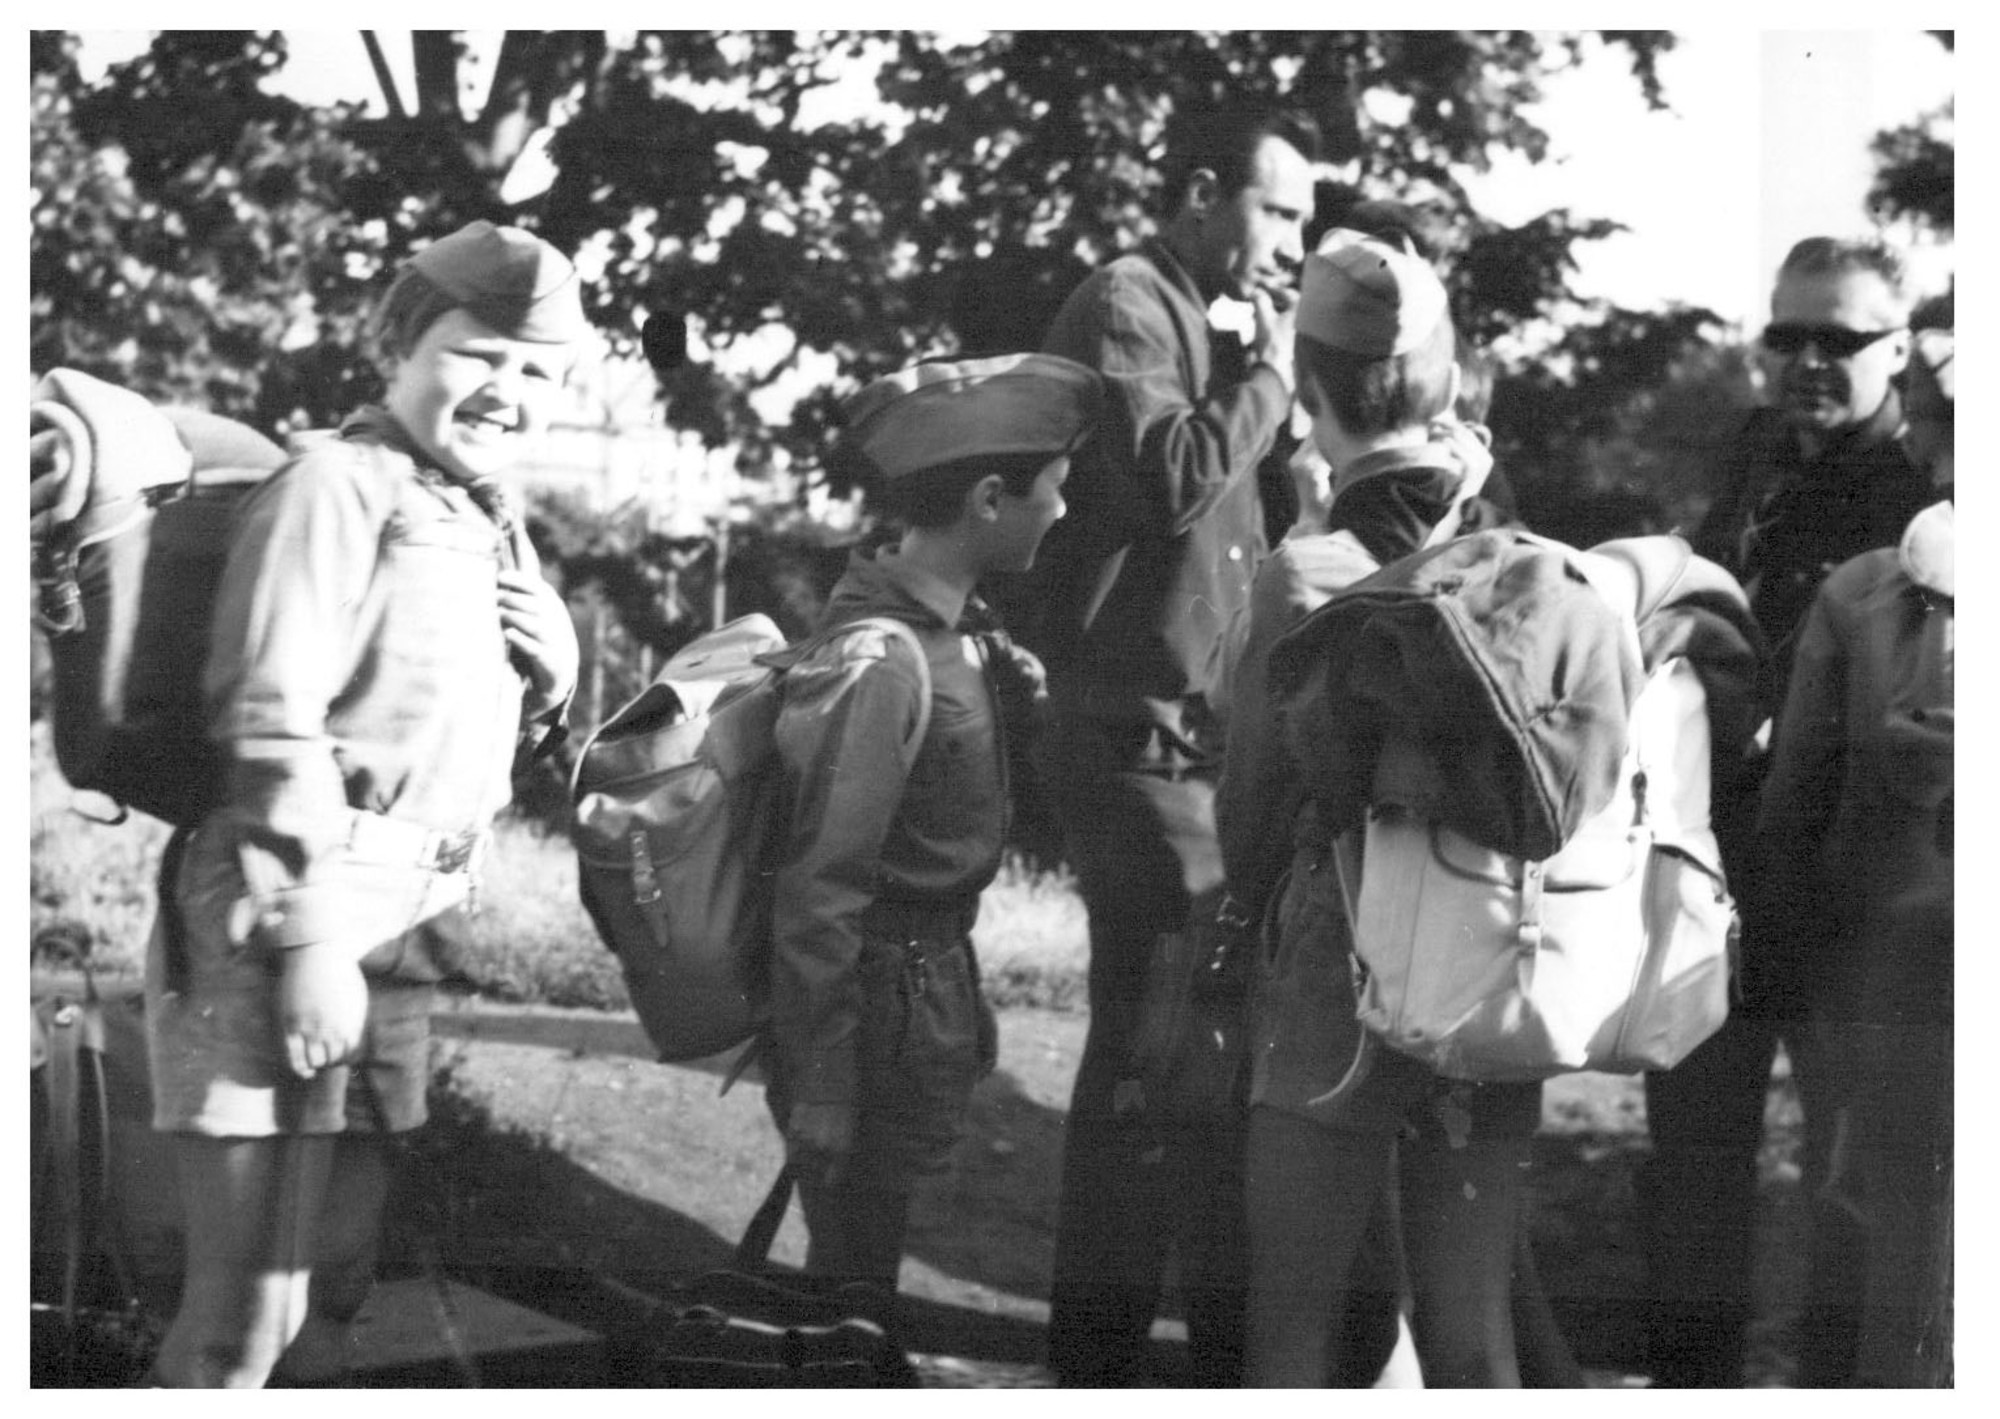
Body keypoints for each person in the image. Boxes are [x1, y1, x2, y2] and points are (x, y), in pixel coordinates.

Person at [142, 219, 586, 1387]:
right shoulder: (335, 485)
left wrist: (557, 676)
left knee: (333, 1294)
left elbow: (439, 733)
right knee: (239, 1325)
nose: (507, 390)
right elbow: (266, 717)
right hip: (288, 913)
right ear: (396, 347)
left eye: (538, 370)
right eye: (477, 353)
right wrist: (310, 940)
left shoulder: (480, 516)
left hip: (404, 932)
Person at [1023, 96, 1318, 1388]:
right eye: (1277, 209)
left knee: (1187, 1047)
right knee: (1158, 1047)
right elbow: (1168, 478)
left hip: (1202, 740)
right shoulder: (1126, 303)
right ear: (1202, 193)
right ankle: (1103, 1365)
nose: (1293, 241)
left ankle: (1173, 1355)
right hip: (1133, 737)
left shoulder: (1213, 322)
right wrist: (1274, 378)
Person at [1219, 233, 1541, 1388]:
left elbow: (1247, 815)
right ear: (1443, 378)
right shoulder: (1516, 557)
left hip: (1339, 957)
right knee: (1473, 1336)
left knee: (1291, 1334)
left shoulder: (1303, 574)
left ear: (1305, 385)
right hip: (1491, 948)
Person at [1642, 235, 1935, 1387]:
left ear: (1897, 349)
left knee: (1847, 1175)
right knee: (1689, 1159)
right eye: (1786, 335)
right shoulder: (1757, 449)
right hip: (1715, 862)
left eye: (1840, 338)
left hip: (1841, 886)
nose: (1807, 360)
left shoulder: (1925, 490)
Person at [764, 353, 1103, 1329]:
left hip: (917, 985)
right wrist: (824, 1085)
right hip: (870, 1006)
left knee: (862, 1275)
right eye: (1053, 489)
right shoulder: (882, 659)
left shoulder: (953, 636)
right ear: (990, 499)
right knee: (851, 1286)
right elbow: (819, 888)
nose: (1062, 510)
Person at [1754, 328, 1954, 1386]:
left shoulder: (1866, 591)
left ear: (1919, 434)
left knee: (1905, 1254)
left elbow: (1795, 807)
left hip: (1899, 967)